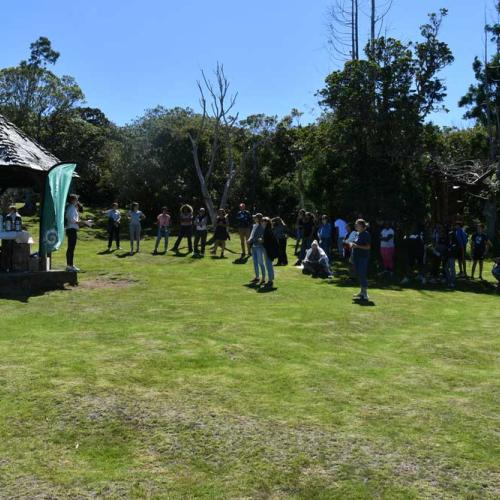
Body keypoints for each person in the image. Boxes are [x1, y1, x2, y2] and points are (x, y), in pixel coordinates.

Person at [351, 219, 371, 301]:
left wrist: (357, 246)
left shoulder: (366, 234)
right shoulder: (357, 233)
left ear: (362, 226)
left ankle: (365, 293)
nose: (355, 226)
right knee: (359, 274)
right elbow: (355, 244)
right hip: (356, 257)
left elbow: (368, 247)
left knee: (362, 274)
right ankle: (362, 292)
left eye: (357, 224)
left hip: (363, 257)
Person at [65, 194, 82, 271]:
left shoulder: (73, 208)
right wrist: (83, 223)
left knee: (71, 248)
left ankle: (70, 264)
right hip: (71, 229)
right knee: (71, 248)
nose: (77, 201)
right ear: (72, 200)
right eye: (76, 200)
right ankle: (69, 265)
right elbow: (72, 220)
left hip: (72, 229)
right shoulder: (71, 208)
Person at [248, 213, 266, 285]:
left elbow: (259, 236)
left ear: (258, 218)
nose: (254, 218)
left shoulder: (261, 226)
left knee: (261, 262)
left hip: (259, 246)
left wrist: (251, 240)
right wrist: (249, 239)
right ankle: (257, 277)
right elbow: (251, 235)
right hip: (254, 246)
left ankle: (263, 278)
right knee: (255, 263)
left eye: (255, 217)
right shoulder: (254, 225)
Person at [262, 217, 278, 287]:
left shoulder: (267, 230)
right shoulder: (267, 230)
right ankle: (270, 279)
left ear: (266, 222)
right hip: (268, 249)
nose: (262, 222)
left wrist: (261, 241)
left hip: (269, 250)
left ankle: (270, 281)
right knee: (269, 265)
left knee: (268, 265)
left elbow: (267, 241)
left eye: (263, 221)